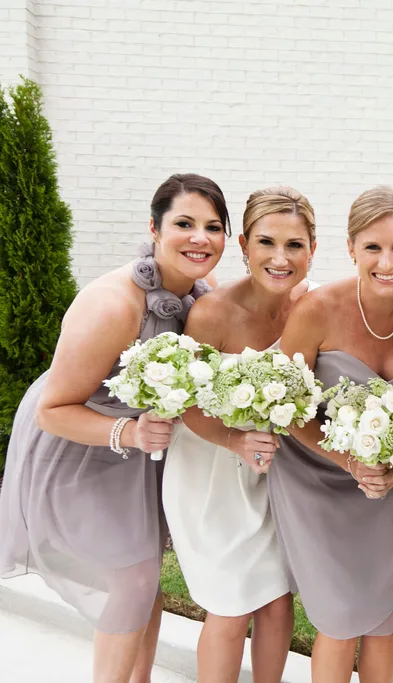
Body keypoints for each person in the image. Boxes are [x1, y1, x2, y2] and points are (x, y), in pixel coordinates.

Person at [0, 173, 227, 683]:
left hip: (139, 456)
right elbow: (52, 410)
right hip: (79, 446)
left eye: (213, 227)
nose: (200, 238)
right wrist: (129, 434)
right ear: (154, 227)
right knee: (134, 579)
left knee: (144, 584)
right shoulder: (112, 304)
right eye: (184, 223)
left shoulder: (199, 298)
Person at [271, 186, 393, 683]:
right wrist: (350, 462)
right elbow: (288, 409)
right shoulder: (317, 310)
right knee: (338, 618)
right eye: (373, 247)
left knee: (383, 616)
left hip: (387, 482)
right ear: (351, 247)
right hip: (316, 477)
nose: (386, 261)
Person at [163, 186, 317, 683]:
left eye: (295, 245)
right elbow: (185, 404)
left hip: (274, 475)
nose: (280, 258)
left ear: (312, 248)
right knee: (230, 607)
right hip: (211, 474)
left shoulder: (307, 305)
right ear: (246, 244)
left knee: (275, 601)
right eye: (267, 243)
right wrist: (235, 441)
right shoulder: (212, 314)